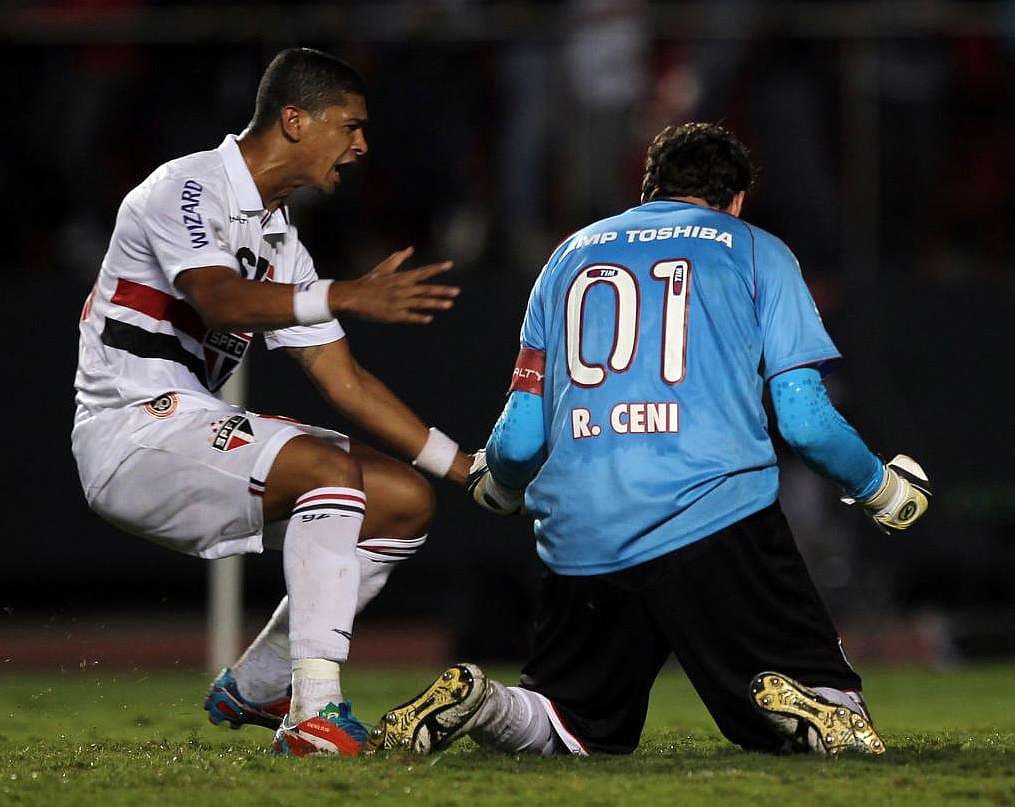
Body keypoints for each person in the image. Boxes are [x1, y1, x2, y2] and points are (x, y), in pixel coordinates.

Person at [366, 122, 932, 758]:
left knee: (572, 725)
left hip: (580, 527)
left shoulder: (568, 255)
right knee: (840, 719)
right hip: (712, 514)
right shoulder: (756, 249)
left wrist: (496, 484)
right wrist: (879, 488)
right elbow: (804, 419)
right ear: (738, 198)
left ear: (648, 186)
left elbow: (522, 436)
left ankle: (484, 702)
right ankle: (806, 696)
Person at [72, 47, 473, 757]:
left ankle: (259, 684)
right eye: (349, 126)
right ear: (294, 119)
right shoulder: (186, 186)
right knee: (324, 468)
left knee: (401, 500)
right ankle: (315, 711)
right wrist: (343, 292)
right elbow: (216, 295)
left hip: (184, 421)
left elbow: (346, 381)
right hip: (127, 433)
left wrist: (464, 468)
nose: (361, 146)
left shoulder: (280, 239)